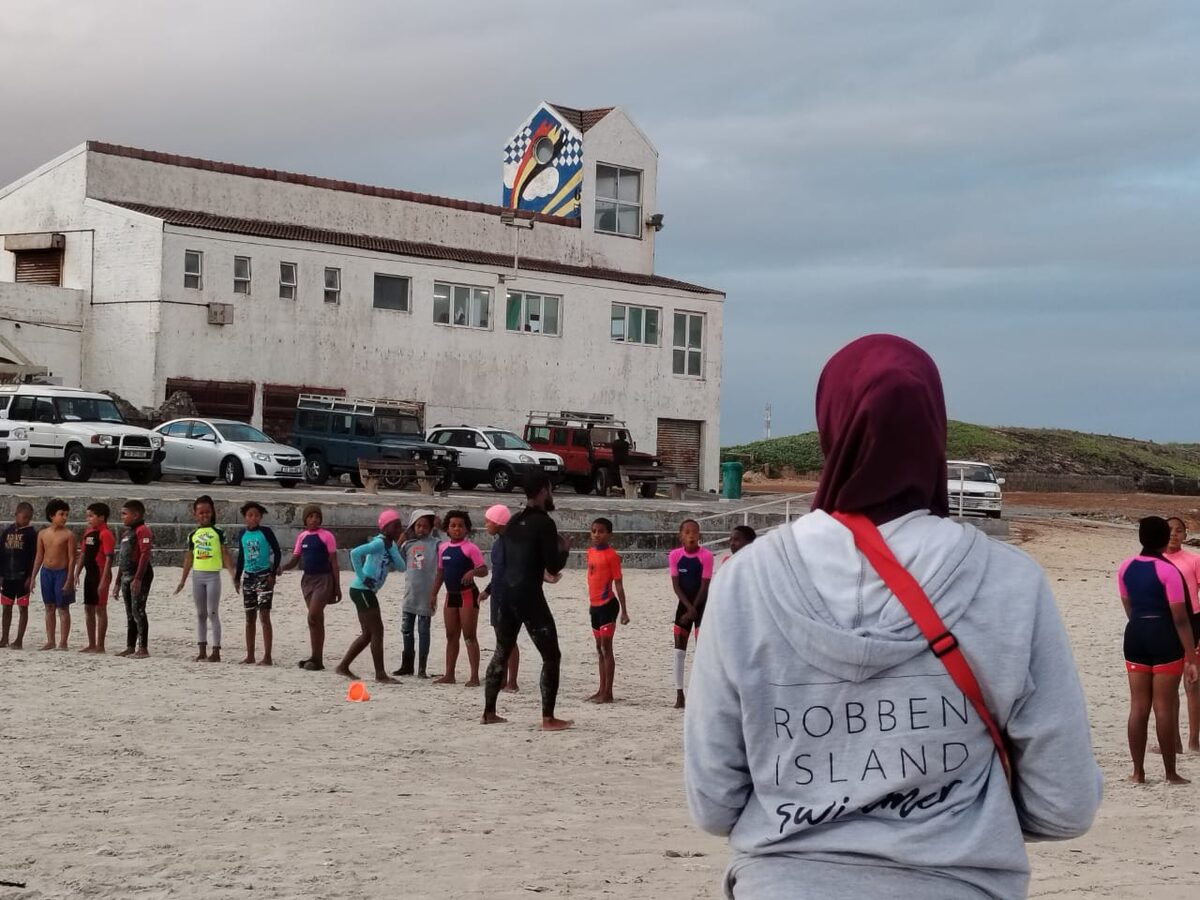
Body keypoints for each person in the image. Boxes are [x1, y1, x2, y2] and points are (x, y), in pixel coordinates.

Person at [684, 334, 1102, 899]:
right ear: (935, 431)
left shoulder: (743, 580)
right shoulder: (1010, 582)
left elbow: (713, 803)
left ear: (831, 426)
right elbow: (1065, 805)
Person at [482, 471, 573, 731]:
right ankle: (548, 718)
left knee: (502, 650)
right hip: (529, 596)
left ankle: (489, 712)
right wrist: (564, 550)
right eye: (551, 490)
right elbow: (553, 567)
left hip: (506, 596)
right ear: (544, 490)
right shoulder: (544, 523)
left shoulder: (513, 522)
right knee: (551, 655)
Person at [1120, 516, 1200, 785]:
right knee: (1163, 706)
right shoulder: (1169, 571)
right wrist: (1191, 656)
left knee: (1138, 706)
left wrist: (1141, 626)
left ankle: (1138, 772)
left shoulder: (1125, 567)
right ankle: (1170, 773)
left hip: (1135, 636)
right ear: (1163, 538)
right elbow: (1179, 617)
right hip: (1163, 636)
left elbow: (1129, 606)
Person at [337, 509, 406, 683]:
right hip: (362, 590)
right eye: (395, 526)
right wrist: (362, 576)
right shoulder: (378, 544)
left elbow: (401, 567)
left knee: (368, 634)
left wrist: (396, 546)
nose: (399, 528)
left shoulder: (390, 545)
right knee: (377, 631)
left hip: (365, 591)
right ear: (384, 527)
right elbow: (354, 553)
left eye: (400, 525)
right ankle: (380, 674)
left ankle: (343, 666)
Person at [281, 504, 341, 671]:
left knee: (313, 615)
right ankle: (317, 658)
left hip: (324, 580)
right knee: (317, 620)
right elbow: (295, 559)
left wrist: (337, 587)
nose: (314, 519)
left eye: (316, 516)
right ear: (305, 519)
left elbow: (334, 562)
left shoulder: (326, 536)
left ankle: (316, 657)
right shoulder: (302, 537)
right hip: (307, 581)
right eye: (310, 516)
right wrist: (283, 568)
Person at [174, 495, 234, 662]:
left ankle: (216, 650)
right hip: (197, 575)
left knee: (212, 612)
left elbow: (225, 553)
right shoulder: (193, 535)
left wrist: (232, 574)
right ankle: (201, 649)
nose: (204, 516)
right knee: (201, 613)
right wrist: (183, 580)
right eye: (201, 513)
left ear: (212, 512)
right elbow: (189, 558)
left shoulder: (218, 532)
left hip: (213, 576)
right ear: (195, 514)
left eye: (207, 512)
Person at [431, 510, 487, 686]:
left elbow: (484, 570)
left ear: (467, 529)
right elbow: (441, 572)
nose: (456, 529)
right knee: (451, 635)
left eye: (460, 526)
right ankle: (449, 674)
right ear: (447, 529)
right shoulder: (443, 548)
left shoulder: (471, 548)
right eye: (453, 526)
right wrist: (433, 594)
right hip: (451, 596)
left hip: (468, 595)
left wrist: (473, 571)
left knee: (469, 636)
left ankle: (474, 677)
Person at [1164, 515, 1200, 754]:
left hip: (1192, 623)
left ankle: (1194, 740)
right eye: (1169, 530)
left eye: (1179, 531)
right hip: (1165, 626)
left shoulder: (1194, 560)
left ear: (1186, 535)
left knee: (1193, 684)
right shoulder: (1155, 561)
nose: (1173, 534)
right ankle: (1173, 741)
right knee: (1167, 687)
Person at [669, 519, 713, 708]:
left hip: (702, 606)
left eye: (694, 532)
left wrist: (694, 609)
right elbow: (676, 585)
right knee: (679, 651)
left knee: (702, 651)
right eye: (687, 532)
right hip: (684, 606)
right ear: (681, 536)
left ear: (699, 535)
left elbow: (705, 585)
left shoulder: (706, 556)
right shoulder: (675, 556)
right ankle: (679, 693)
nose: (691, 535)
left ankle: (702, 692)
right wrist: (688, 608)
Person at [233, 501, 281, 666]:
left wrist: (273, 573)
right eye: (249, 515)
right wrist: (237, 577)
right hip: (248, 577)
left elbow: (277, 551)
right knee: (249, 617)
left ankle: (267, 656)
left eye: (256, 515)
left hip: (264, 576)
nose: (253, 518)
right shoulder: (243, 535)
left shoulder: (266, 532)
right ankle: (250, 655)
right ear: (245, 517)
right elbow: (241, 557)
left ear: (260, 517)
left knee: (264, 616)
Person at [586, 516, 628, 704]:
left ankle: (608, 692)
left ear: (608, 534)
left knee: (606, 648)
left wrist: (624, 611)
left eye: (601, 531)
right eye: (594, 531)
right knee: (599, 648)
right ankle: (601, 688)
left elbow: (618, 584)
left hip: (608, 606)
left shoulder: (612, 556)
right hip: (594, 607)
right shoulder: (590, 552)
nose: (596, 535)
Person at [394, 508, 439, 678]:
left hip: (426, 596)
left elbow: (449, 545)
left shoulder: (435, 544)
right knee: (406, 630)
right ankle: (407, 665)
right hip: (410, 596)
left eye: (425, 526)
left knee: (424, 631)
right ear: (413, 526)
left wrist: (440, 527)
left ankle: (422, 668)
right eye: (418, 525)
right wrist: (401, 539)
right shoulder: (408, 545)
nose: (421, 529)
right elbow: (395, 560)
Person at [480, 504, 519, 692]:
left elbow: (512, 573)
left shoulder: (512, 544)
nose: (486, 524)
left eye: (489, 521)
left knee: (509, 639)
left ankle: (513, 681)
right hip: (497, 596)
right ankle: (503, 678)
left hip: (508, 598)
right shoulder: (497, 544)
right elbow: (497, 574)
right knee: (500, 639)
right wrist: (487, 591)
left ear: (498, 522)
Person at [31, 498, 76, 651]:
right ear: (52, 516)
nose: (64, 517)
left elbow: (72, 559)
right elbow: (39, 556)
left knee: (63, 607)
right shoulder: (42, 534)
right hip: (46, 572)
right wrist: (33, 578)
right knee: (49, 606)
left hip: (61, 573)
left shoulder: (68, 535)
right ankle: (50, 640)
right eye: (61, 514)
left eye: (66, 515)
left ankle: (63, 642)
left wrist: (70, 578)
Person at [112, 500, 153, 658]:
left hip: (139, 574)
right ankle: (130, 646)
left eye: (124, 513)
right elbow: (122, 558)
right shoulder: (126, 533)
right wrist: (117, 582)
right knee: (130, 612)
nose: (122, 517)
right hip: (126, 574)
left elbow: (145, 554)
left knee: (138, 610)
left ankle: (143, 648)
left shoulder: (143, 531)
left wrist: (138, 578)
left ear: (136, 515)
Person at [76, 502, 116, 654]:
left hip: (101, 573)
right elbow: (84, 554)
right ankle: (91, 643)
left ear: (102, 517)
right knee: (88, 608)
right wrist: (76, 573)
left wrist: (104, 580)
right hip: (90, 573)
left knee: (100, 609)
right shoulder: (88, 532)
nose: (88, 519)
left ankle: (100, 645)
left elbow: (108, 559)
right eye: (88, 516)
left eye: (91, 516)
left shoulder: (105, 534)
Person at [0, 501, 37, 649]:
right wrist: (1, 574)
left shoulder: (31, 534)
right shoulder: (7, 531)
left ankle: (19, 639)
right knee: (6, 607)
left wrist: (30, 577)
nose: (26, 520)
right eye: (24, 517)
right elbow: (1, 553)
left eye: (28, 518)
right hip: (7, 575)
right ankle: (4, 638)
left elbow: (34, 556)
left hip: (23, 576)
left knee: (23, 607)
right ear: (16, 514)